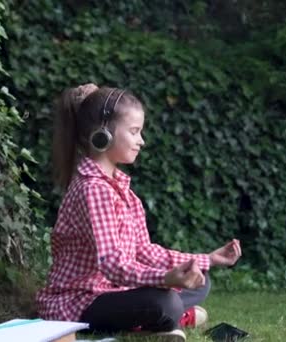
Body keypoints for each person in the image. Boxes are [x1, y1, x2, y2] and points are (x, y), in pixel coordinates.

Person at [36, 84, 242, 341]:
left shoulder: (123, 190)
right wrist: (165, 278)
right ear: (104, 134)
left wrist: (206, 260)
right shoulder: (93, 189)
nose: (141, 141)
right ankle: (169, 319)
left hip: (114, 291)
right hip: (80, 300)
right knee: (165, 302)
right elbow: (112, 264)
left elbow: (143, 251)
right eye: (134, 132)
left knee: (201, 281)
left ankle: (164, 319)